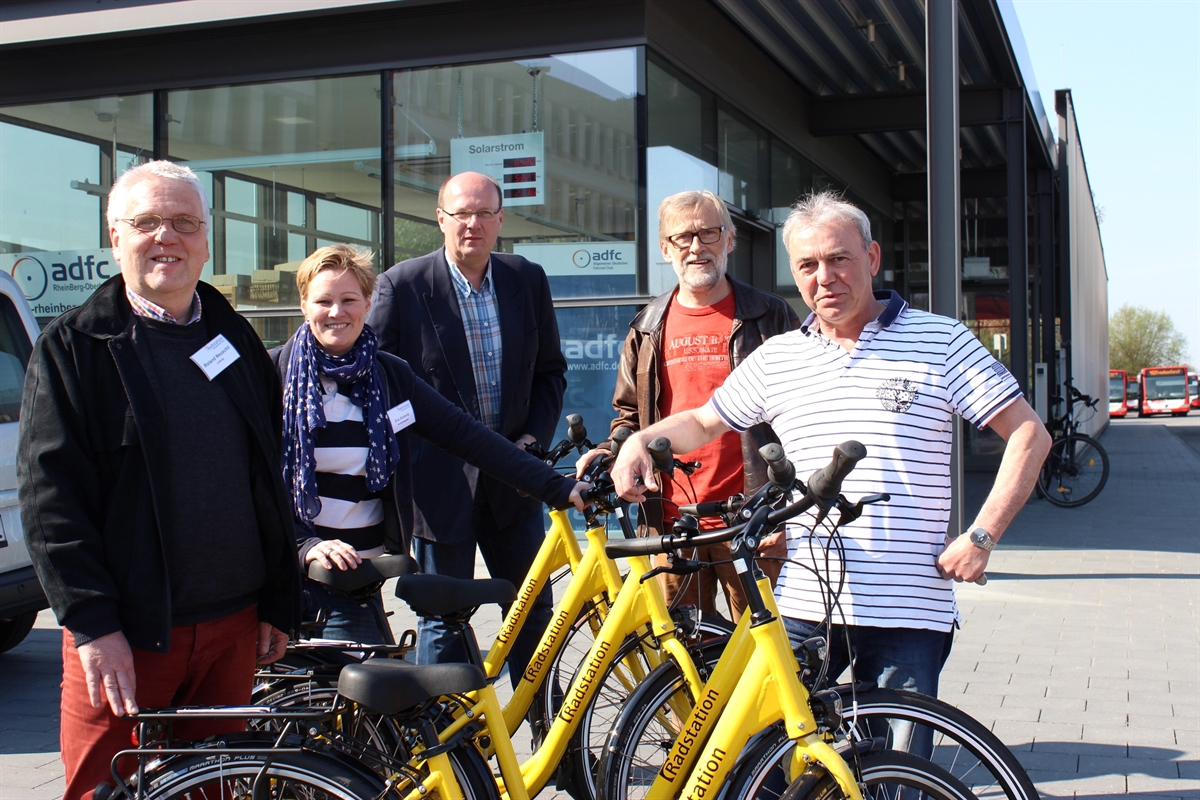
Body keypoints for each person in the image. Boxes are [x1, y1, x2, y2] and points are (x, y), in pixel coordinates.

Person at [609, 190, 1051, 705]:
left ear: (872, 257)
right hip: (803, 604)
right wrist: (639, 441)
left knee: (896, 755)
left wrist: (982, 536)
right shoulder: (778, 356)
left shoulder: (941, 340)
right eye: (808, 265)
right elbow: (703, 422)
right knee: (774, 749)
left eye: (839, 258)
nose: (825, 277)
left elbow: (1029, 434)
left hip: (908, 610)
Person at [17, 160, 301, 800]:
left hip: (233, 628)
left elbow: (267, 476)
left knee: (211, 792)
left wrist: (277, 600)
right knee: (105, 792)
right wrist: (93, 625)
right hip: (129, 635)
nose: (166, 237)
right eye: (146, 222)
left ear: (206, 241)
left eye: (184, 223)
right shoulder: (74, 348)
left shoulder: (236, 338)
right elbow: (51, 502)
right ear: (115, 236)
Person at [273, 244, 588, 643]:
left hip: (362, 579)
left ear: (368, 303)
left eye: (349, 299)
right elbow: (245, 481)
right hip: (300, 577)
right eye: (323, 301)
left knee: (379, 678)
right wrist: (304, 545)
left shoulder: (388, 377)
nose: (337, 312)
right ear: (304, 305)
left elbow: (466, 436)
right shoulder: (273, 375)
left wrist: (557, 487)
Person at [365, 171, 567, 679]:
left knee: (532, 611)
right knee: (442, 619)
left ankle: (540, 722)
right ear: (441, 219)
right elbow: (379, 384)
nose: (472, 224)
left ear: (500, 219)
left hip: (514, 481)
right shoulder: (402, 286)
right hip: (439, 485)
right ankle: (447, 729)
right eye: (461, 213)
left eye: (483, 213)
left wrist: (532, 440)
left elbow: (550, 373)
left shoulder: (527, 278)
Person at [576, 190, 798, 622]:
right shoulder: (646, 327)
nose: (696, 247)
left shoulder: (770, 316)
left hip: (751, 520)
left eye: (709, 232)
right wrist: (609, 451)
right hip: (672, 521)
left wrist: (785, 513)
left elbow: (801, 412)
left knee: (762, 645)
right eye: (683, 237)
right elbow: (630, 417)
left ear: (730, 239)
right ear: (665, 248)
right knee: (683, 648)